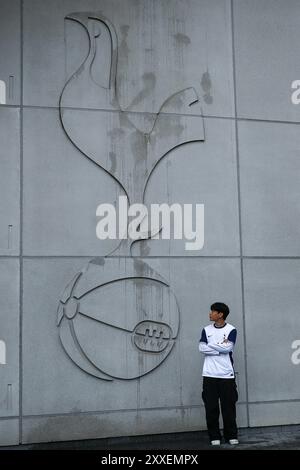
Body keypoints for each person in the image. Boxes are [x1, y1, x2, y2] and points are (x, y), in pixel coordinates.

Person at [199, 302, 239, 446]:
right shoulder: (206, 329)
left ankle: (231, 436)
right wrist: (219, 349)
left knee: (228, 407)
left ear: (220, 314)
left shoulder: (231, 329)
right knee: (211, 408)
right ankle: (214, 436)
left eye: (213, 312)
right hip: (209, 375)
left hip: (226, 375)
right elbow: (201, 347)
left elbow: (228, 347)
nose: (210, 314)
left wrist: (213, 347)